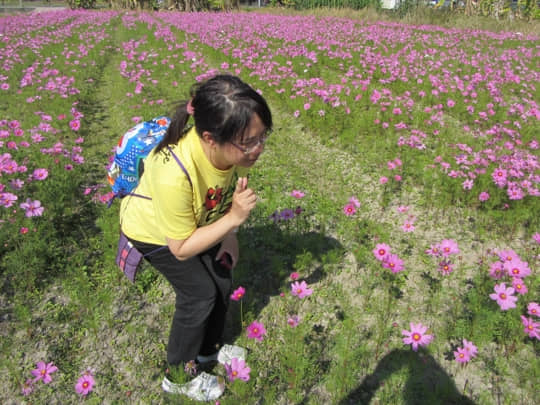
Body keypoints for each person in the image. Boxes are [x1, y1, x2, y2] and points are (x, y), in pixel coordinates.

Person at [119, 74, 272, 401]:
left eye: (263, 137)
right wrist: (233, 219)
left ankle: (206, 353)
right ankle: (177, 376)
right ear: (209, 137)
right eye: (249, 142)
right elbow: (181, 247)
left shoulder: (229, 149)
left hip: (198, 219)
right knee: (199, 293)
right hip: (155, 232)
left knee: (221, 276)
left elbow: (224, 194)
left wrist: (229, 234)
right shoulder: (173, 171)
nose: (258, 149)